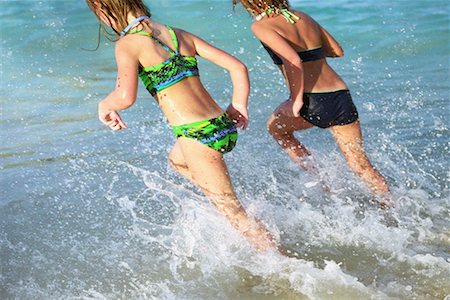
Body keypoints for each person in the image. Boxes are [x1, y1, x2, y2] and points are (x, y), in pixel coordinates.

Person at [85, 0, 279, 250]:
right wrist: (238, 105)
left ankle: (284, 264)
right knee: (176, 160)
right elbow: (237, 67)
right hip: (220, 123)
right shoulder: (178, 35)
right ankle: (226, 203)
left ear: (104, 10)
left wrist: (105, 106)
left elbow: (125, 97)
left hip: (196, 135)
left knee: (233, 212)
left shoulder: (128, 43)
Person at [233, 0, 393, 207]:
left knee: (276, 129)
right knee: (360, 164)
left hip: (313, 99)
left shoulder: (261, 26)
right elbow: (336, 51)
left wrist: (295, 100)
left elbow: (293, 60)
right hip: (340, 96)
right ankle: (392, 208)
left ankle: (322, 182)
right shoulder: (303, 16)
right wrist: (310, 51)